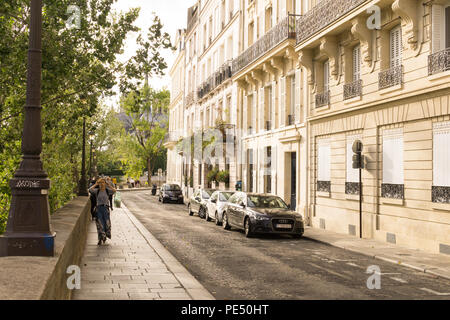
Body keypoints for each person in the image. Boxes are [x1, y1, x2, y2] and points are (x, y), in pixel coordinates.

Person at [89, 178, 117, 245]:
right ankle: (100, 238)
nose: (101, 184)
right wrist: (96, 184)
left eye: (103, 182)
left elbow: (114, 190)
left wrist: (109, 185)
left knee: (106, 224)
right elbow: (90, 190)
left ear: (105, 183)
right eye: (100, 183)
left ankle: (104, 237)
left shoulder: (107, 191)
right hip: (99, 209)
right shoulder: (97, 191)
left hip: (105, 209)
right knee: (100, 224)